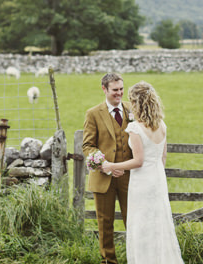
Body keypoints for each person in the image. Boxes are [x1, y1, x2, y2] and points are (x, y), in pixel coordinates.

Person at [102, 81, 184, 264]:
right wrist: (155, 175)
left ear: (136, 103)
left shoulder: (135, 128)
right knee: (158, 223)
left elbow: (138, 161)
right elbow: (162, 158)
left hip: (142, 182)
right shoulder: (162, 125)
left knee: (141, 225)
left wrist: (111, 166)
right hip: (157, 179)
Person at [82, 72, 134, 264]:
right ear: (104, 89)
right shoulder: (93, 113)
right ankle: (109, 261)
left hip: (130, 176)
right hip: (104, 178)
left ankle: (135, 258)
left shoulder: (132, 109)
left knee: (134, 221)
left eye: (121, 89)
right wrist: (105, 165)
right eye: (115, 90)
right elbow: (87, 146)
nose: (119, 93)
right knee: (105, 223)